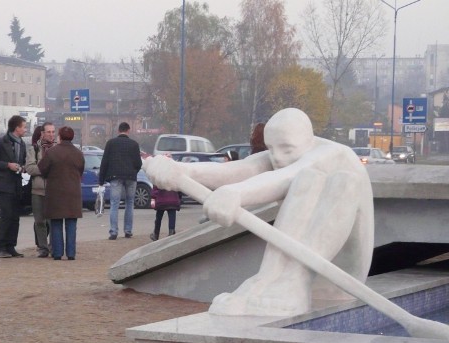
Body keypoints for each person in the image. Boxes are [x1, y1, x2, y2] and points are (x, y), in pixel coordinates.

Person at [144, 108, 374, 317]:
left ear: (309, 140)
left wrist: (236, 194)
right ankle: (268, 278)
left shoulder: (335, 154)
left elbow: (289, 175)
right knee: (308, 179)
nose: (277, 158)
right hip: (303, 266)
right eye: (271, 149)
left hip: (340, 275)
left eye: (287, 149)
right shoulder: (285, 152)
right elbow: (239, 170)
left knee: (327, 179)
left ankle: (294, 280)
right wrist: (180, 170)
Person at [38, 126, 84, 260]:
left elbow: (42, 169)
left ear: (60, 136)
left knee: (56, 223)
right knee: (71, 223)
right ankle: (71, 253)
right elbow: (80, 171)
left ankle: (57, 253)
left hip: (55, 192)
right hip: (73, 193)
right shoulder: (78, 153)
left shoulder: (52, 152)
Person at [0, 115, 27, 258]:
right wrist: (7, 165)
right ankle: (1, 247)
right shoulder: (1, 142)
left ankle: (11, 246)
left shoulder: (21, 143)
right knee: (7, 215)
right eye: (24, 127)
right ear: (16, 128)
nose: (25, 129)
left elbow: (22, 160)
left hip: (16, 183)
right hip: (3, 183)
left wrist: (22, 167)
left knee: (15, 216)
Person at [99, 121, 142, 240]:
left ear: (118, 131)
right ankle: (128, 230)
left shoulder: (111, 143)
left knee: (114, 204)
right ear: (128, 131)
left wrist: (101, 180)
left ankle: (113, 231)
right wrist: (133, 172)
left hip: (115, 177)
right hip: (130, 177)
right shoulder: (134, 144)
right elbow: (139, 163)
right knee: (130, 203)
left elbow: (105, 162)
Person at [25, 122, 56, 257]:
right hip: (37, 190)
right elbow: (30, 168)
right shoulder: (34, 149)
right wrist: (45, 169)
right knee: (39, 221)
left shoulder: (57, 149)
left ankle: (54, 247)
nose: (51, 134)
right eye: (48, 132)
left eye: (53, 132)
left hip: (53, 190)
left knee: (53, 221)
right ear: (42, 133)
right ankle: (42, 248)